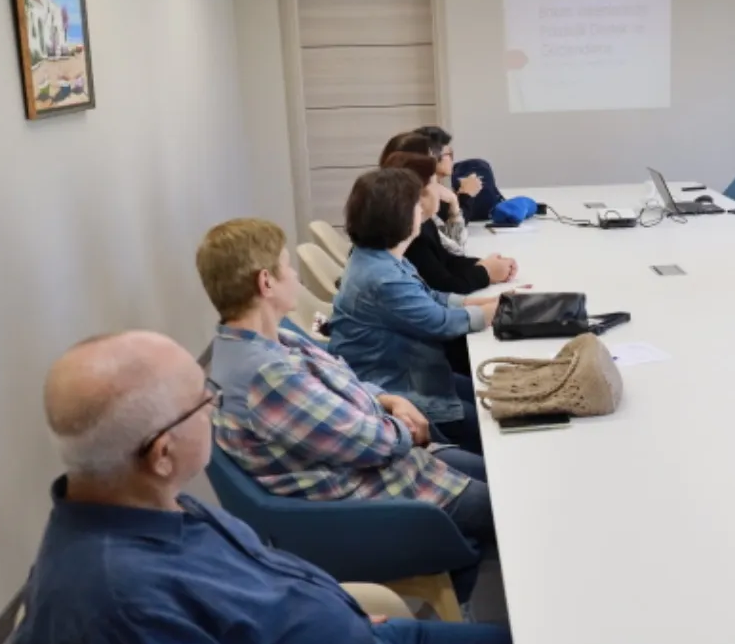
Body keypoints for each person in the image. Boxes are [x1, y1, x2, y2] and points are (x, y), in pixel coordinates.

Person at [13, 331, 577, 644]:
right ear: (162, 452)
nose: (215, 407)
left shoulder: (148, 501)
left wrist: (335, 608)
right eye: (205, 401)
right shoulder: (118, 602)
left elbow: (261, 568)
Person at [195, 218, 491, 538]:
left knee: (506, 476)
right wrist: (405, 426)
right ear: (266, 283)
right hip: (385, 497)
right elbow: (368, 442)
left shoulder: (263, 341)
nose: (295, 276)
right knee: (515, 504)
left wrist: (388, 398)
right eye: (287, 267)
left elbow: (342, 380)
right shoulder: (267, 376)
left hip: (391, 467)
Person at [330, 167, 498, 454]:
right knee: (497, 427)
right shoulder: (383, 276)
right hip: (403, 390)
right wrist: (498, 311)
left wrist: (486, 302)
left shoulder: (380, 256)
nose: (422, 209)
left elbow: (431, 297)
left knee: (495, 398)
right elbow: (441, 323)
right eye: (416, 204)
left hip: (416, 372)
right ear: (399, 216)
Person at [384, 149, 516, 295]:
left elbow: (447, 259)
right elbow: (444, 285)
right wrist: (486, 272)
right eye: (435, 184)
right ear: (421, 194)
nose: (440, 189)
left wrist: (486, 265)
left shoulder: (424, 222)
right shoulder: (412, 236)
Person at [416, 124, 500, 224]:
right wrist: (466, 194)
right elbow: (454, 230)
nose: (452, 160)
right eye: (449, 154)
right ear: (433, 157)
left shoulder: (430, 187)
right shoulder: (424, 194)